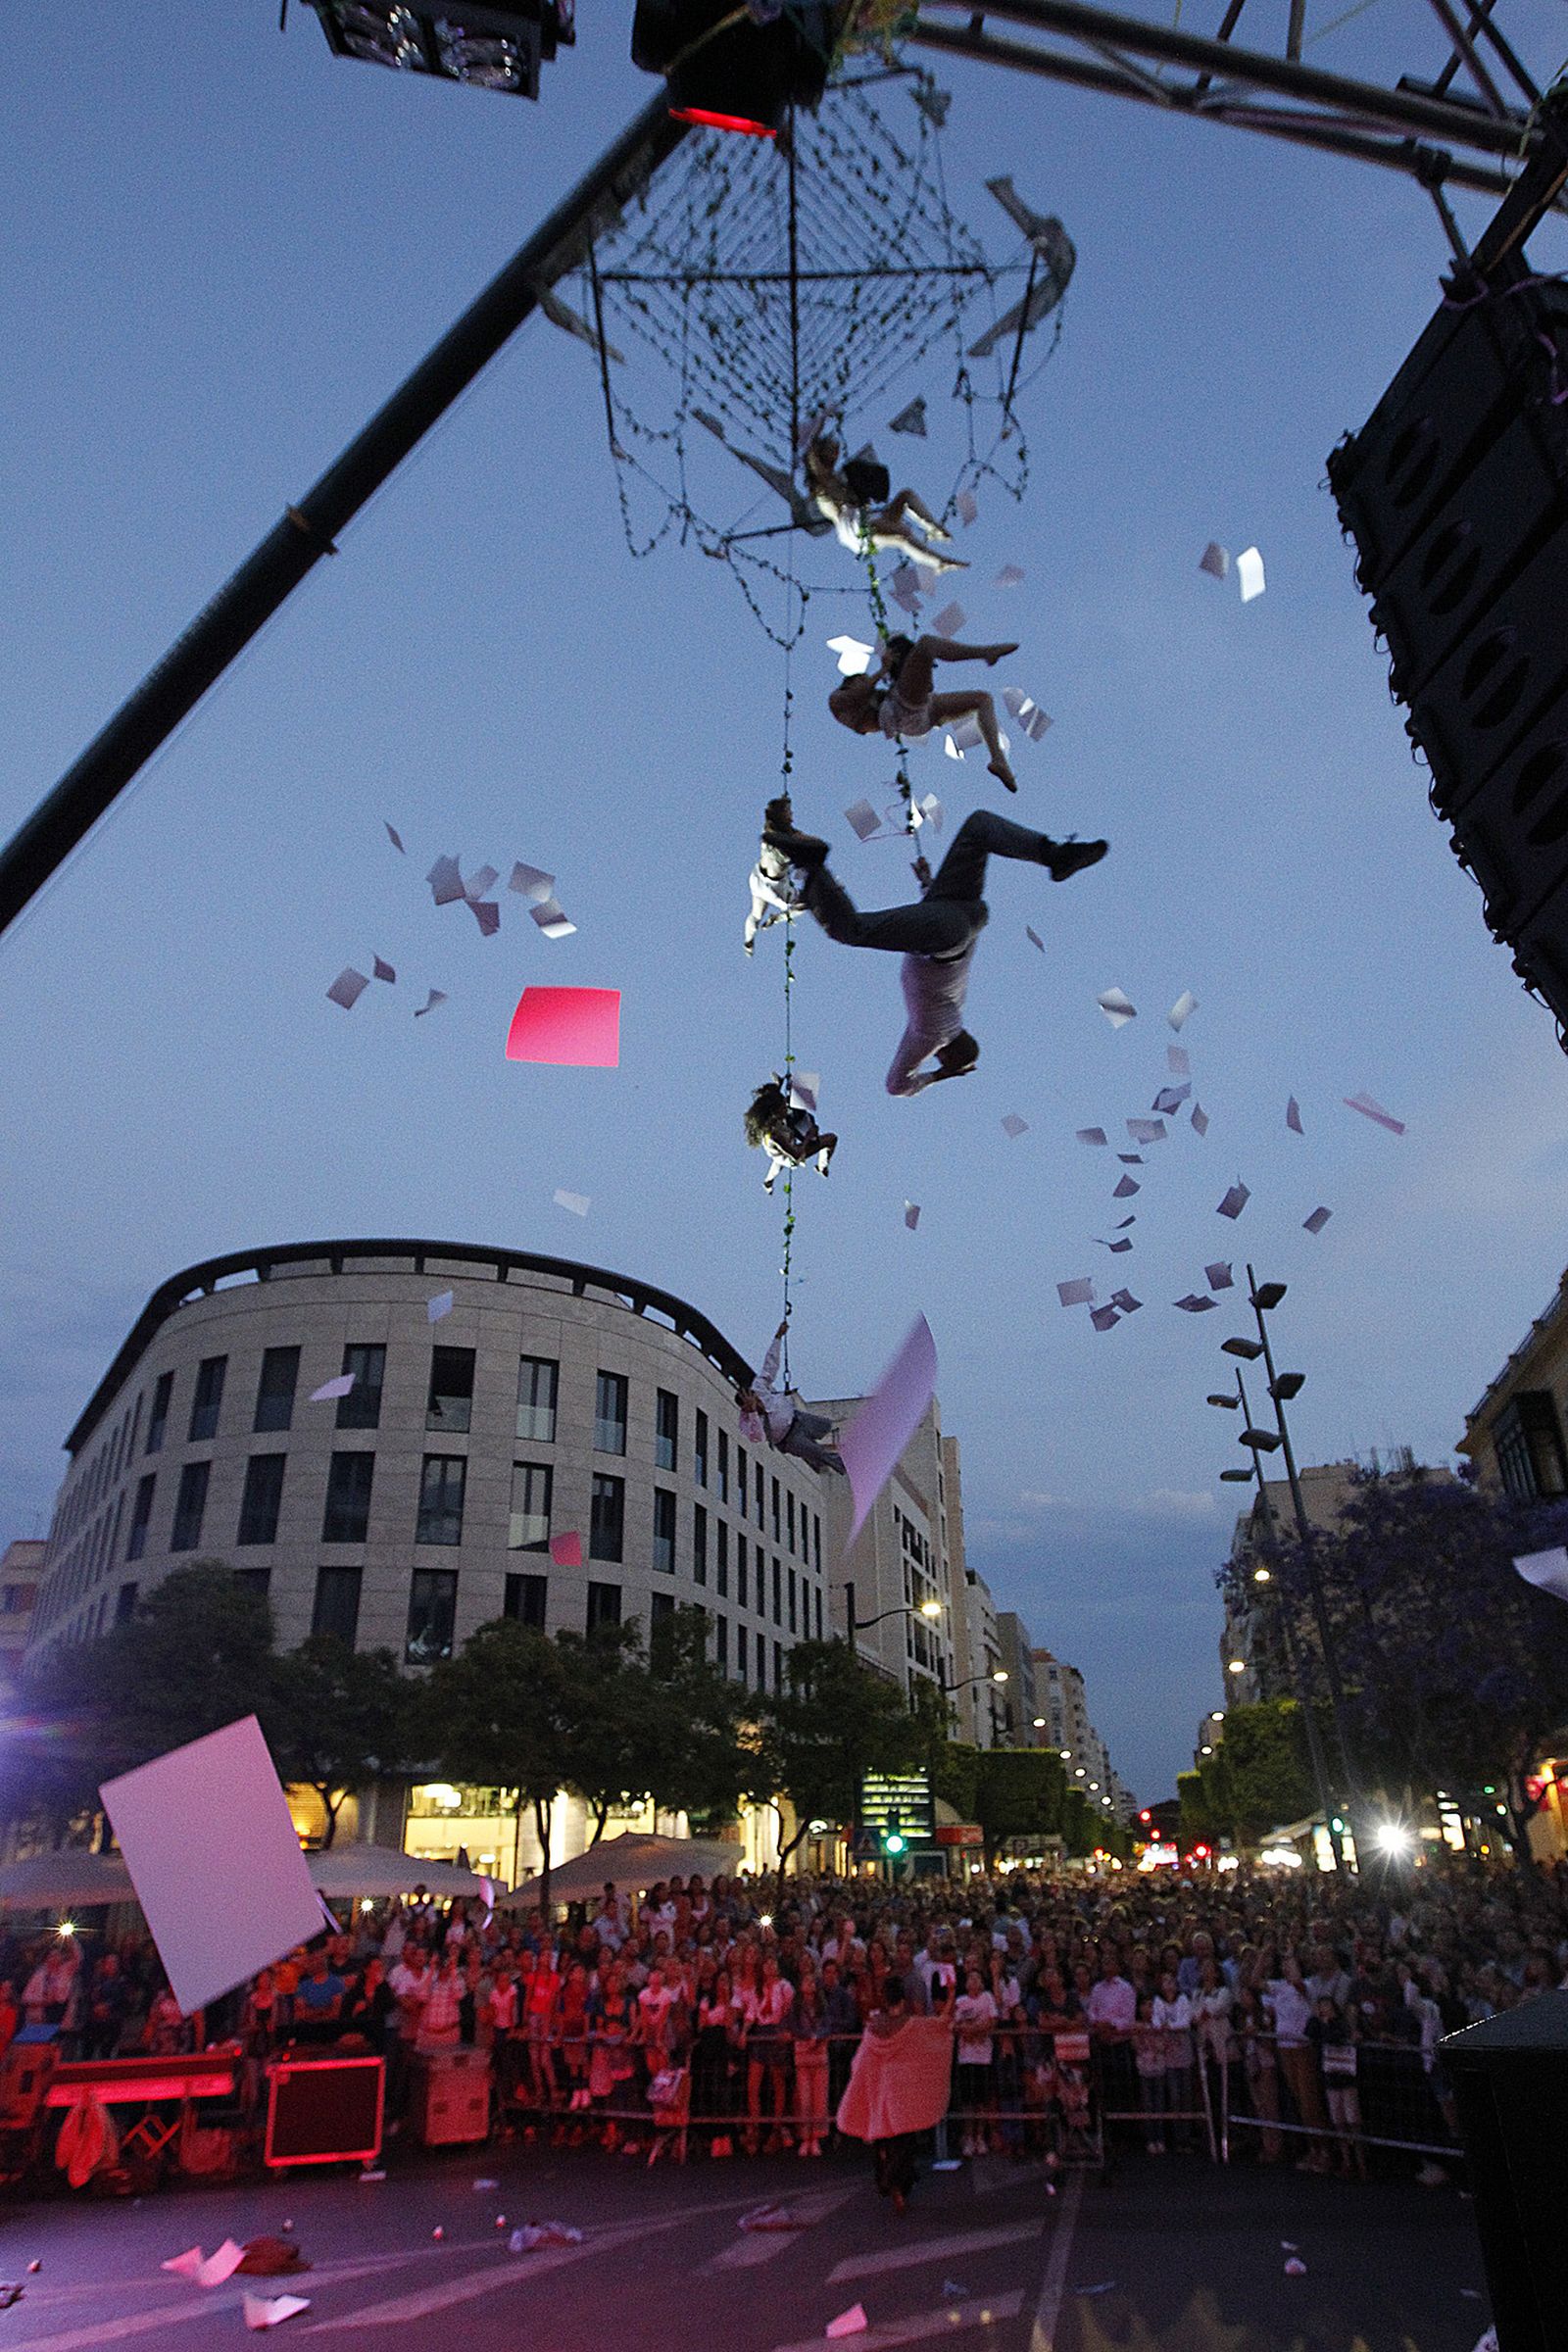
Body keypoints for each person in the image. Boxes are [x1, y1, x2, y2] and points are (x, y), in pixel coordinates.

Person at [762, 808, 1106, 1099]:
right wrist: (941, 1077)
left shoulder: (956, 1005)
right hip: (948, 931)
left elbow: (930, 924)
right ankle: (810, 865)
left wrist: (929, 885)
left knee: (979, 827)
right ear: (942, 1056)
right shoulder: (931, 1035)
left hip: (962, 912)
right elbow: (895, 1085)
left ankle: (1053, 854)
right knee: (852, 930)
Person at [830, 634, 1020, 791]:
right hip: (903, 711)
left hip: (921, 714)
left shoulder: (876, 699)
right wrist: (883, 670)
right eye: (863, 680)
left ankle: (998, 760)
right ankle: (986, 653)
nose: (870, 682)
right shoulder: (838, 701)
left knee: (982, 700)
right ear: (851, 682)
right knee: (927, 644)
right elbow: (856, 696)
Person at [836, 1974, 955, 2216]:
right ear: (902, 1999)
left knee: (884, 2139)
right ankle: (896, 2181)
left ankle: (886, 2177)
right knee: (905, 2141)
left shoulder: (872, 2027)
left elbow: (860, 2061)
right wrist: (951, 1994)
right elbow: (941, 2025)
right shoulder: (910, 2024)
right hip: (903, 2091)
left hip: (879, 2090)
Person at [803, 434, 965, 571]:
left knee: (905, 496)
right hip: (852, 526)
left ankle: (934, 530)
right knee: (901, 536)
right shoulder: (821, 484)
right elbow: (811, 453)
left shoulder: (835, 479)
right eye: (831, 450)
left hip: (863, 519)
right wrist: (821, 419)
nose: (835, 454)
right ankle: (938, 562)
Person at [737, 1321, 845, 1476]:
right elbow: (758, 1437)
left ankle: (849, 1447)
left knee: (827, 1426)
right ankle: (843, 1465)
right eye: (751, 1402)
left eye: (754, 1397)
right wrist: (753, 1412)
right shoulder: (747, 1422)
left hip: (798, 1419)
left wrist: (778, 1337)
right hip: (789, 1439)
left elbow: (770, 1365)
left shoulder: (759, 1387)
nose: (757, 1401)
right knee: (817, 1452)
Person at [743, 1079, 838, 1195]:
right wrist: (809, 1136)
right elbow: (796, 1155)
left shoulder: (770, 1122)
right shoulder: (775, 1135)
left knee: (778, 1160)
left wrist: (779, 1084)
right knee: (831, 1139)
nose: (786, 1109)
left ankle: (768, 1181)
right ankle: (822, 1167)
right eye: (783, 1107)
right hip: (793, 1157)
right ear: (776, 1111)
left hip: (780, 1154)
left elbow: (772, 1099)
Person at [745, 795, 806, 956]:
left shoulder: (769, 830)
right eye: (789, 813)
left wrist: (784, 801)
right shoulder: (784, 840)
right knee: (804, 905)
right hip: (775, 888)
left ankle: (748, 943)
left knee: (756, 914)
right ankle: (776, 918)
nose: (792, 816)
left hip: (758, 878)